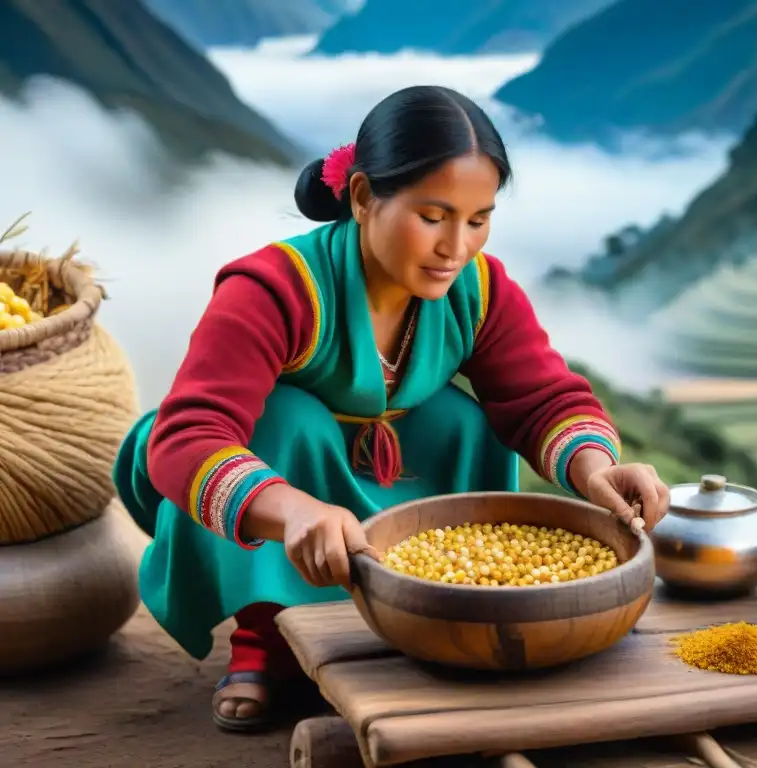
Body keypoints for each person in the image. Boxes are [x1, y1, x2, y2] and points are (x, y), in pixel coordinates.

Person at [113, 85, 671, 733]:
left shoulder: (479, 289)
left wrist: (595, 469)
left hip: (387, 464)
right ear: (360, 198)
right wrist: (294, 511)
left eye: (478, 218)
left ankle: (439, 613)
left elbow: (542, 394)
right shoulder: (272, 288)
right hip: (279, 469)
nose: (456, 247)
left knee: (460, 419)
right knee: (291, 418)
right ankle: (267, 634)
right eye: (433, 216)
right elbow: (188, 436)